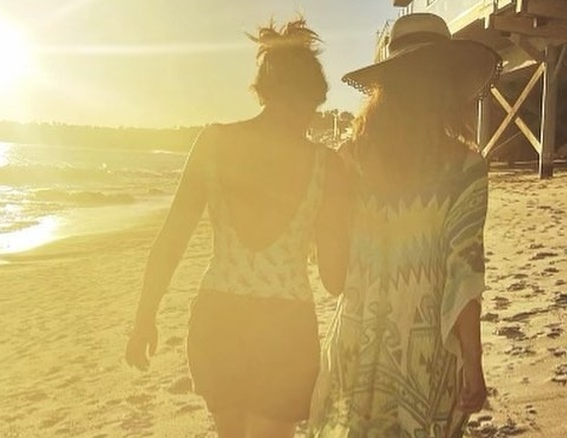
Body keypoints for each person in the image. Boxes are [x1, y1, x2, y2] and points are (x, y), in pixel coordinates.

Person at [125, 18, 351, 438]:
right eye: (314, 107)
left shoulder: (213, 143)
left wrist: (145, 317)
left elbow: (172, 238)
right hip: (285, 328)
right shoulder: (327, 166)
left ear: (263, 92)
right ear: (310, 98)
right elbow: (334, 279)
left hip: (219, 319)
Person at [310, 13, 501, 437]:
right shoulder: (466, 168)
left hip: (353, 350)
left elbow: (333, 279)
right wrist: (473, 361)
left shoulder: (348, 160)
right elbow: (464, 274)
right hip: (424, 357)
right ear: (448, 88)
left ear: (385, 89)